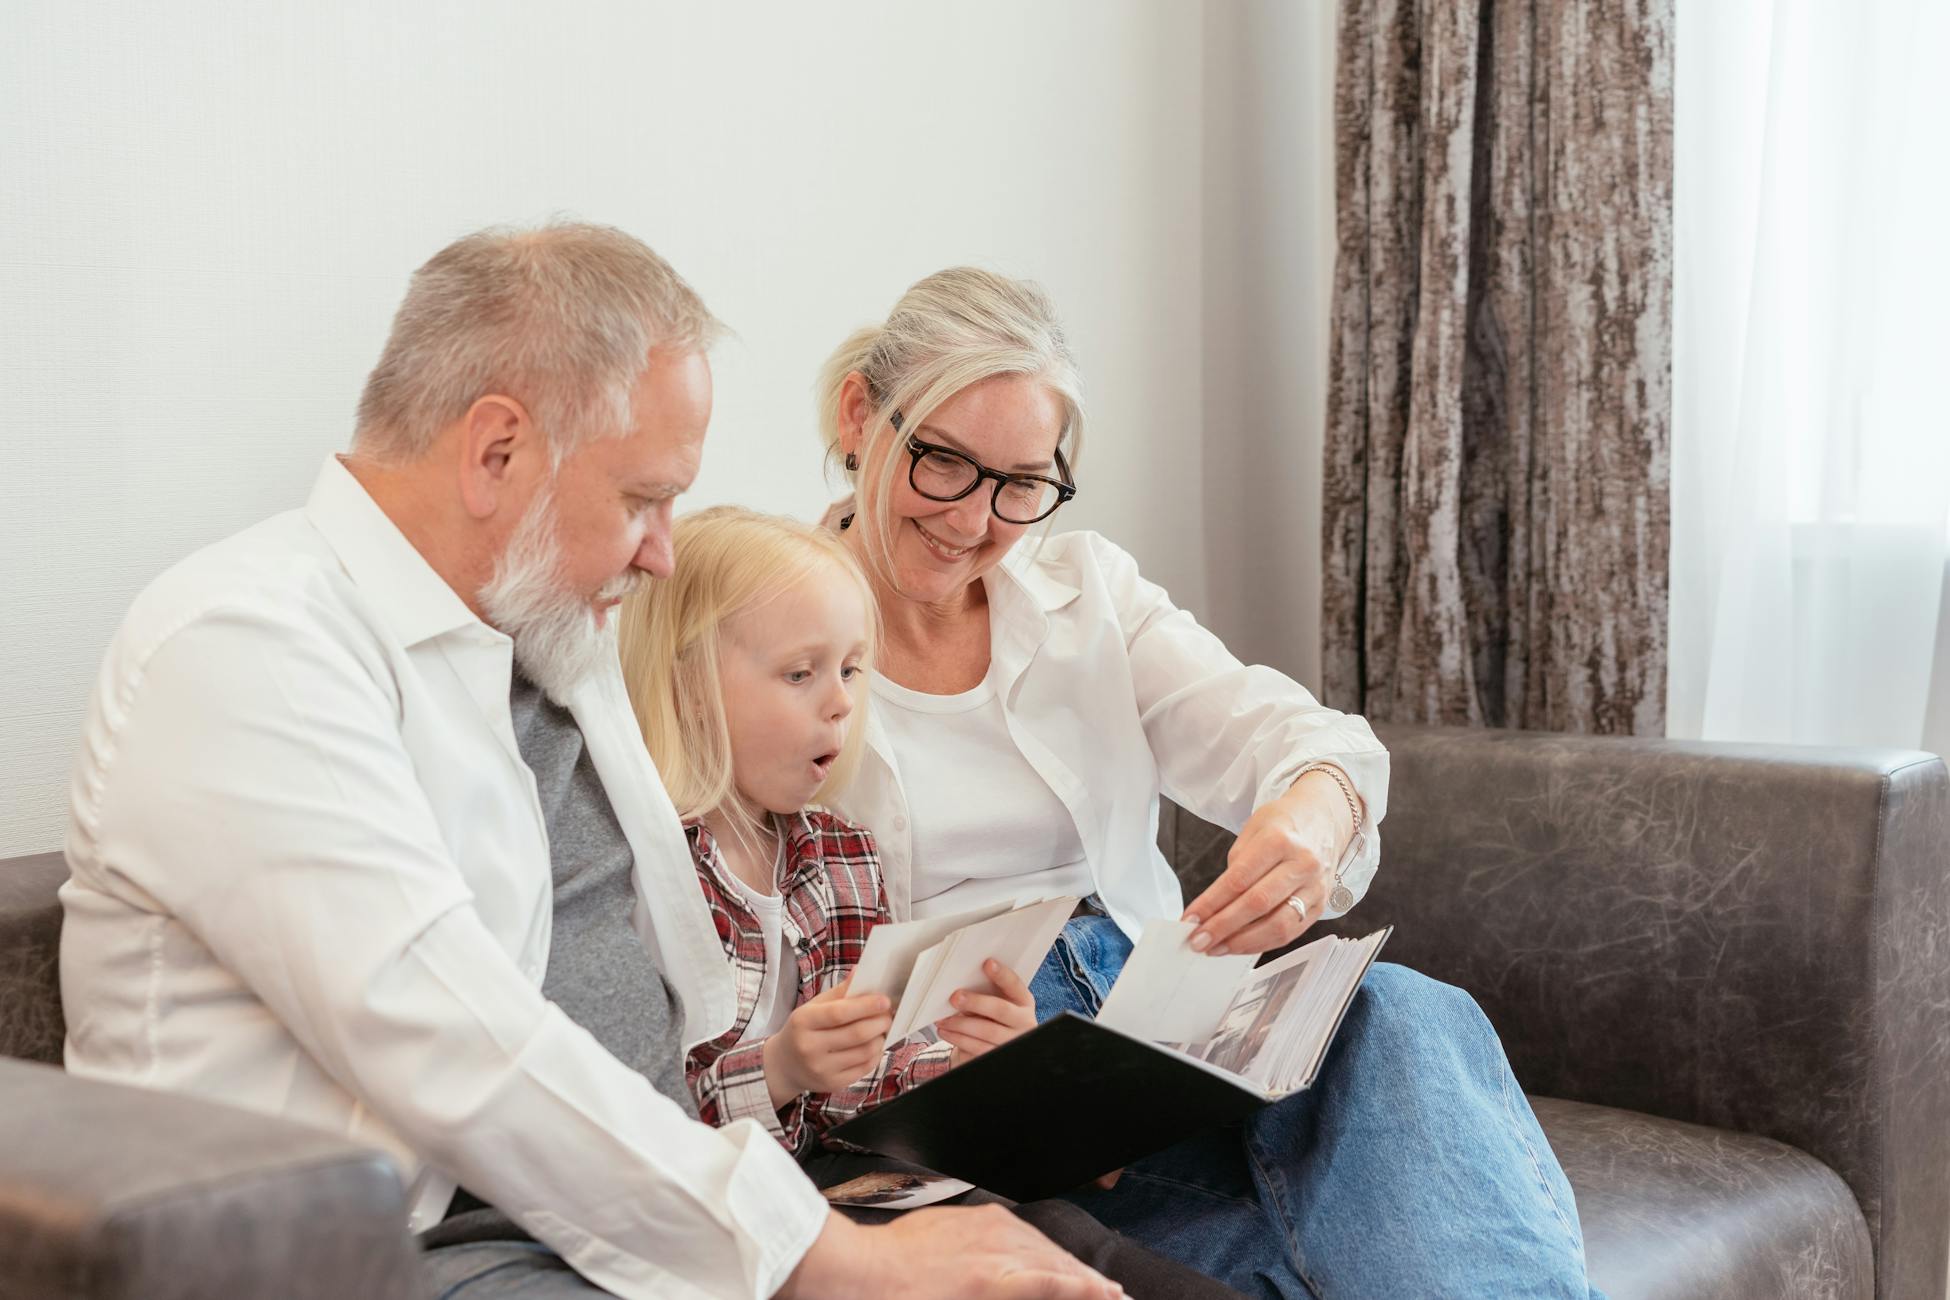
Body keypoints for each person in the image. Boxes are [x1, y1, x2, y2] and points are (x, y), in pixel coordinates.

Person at [58, 223, 1127, 1300]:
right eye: (641, 500)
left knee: (1066, 1267)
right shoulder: (249, 645)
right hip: (371, 1253)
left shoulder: (543, 648)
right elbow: (455, 1044)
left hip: (587, 1216)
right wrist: (827, 1257)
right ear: (497, 452)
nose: (663, 551)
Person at [814, 267, 1605, 1299]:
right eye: (945, 463)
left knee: (1403, 1014)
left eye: (1022, 484)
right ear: (859, 415)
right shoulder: (760, 628)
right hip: (971, 1078)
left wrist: (1313, 816)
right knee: (1349, 1242)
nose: (976, 519)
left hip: (1158, 1030)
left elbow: (1298, 737)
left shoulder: (1086, 591)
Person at [619, 506, 1246, 1299]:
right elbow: (629, 1115)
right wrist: (779, 1070)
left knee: (1065, 1240)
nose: (840, 704)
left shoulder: (841, 854)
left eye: (852, 671)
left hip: (862, 1173)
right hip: (737, 1206)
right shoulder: (644, 873)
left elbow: (869, 1081)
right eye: (800, 673)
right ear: (688, 684)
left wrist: (968, 1060)